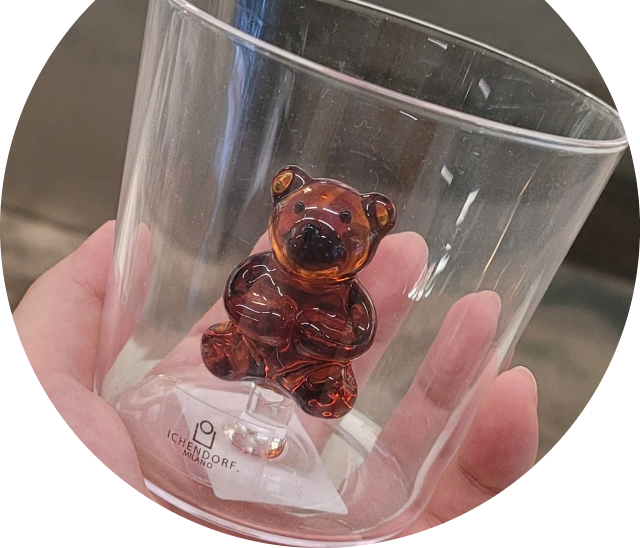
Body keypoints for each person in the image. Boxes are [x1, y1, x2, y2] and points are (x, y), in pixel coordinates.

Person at [14, 220, 538, 534]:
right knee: (227, 344)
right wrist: (264, 315)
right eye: (303, 213)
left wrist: (323, 333)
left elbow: (359, 335)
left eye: (344, 224)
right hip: (253, 353)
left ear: (374, 227)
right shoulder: (263, 270)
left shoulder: (350, 297)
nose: (319, 231)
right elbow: (236, 295)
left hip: (310, 370)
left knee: (331, 385)